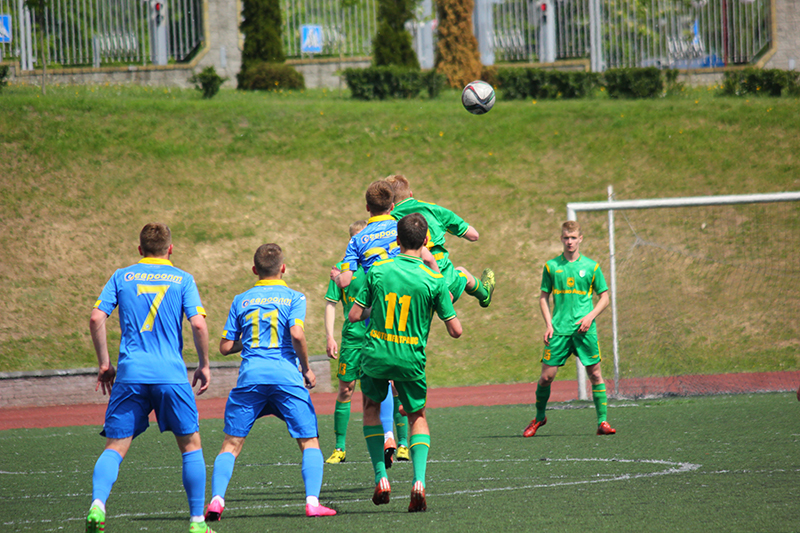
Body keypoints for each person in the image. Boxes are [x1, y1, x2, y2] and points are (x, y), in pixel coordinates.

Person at [86, 223, 215, 533]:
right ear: (170, 249)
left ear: (140, 249)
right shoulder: (183, 279)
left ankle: (98, 505)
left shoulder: (122, 276)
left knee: (116, 446)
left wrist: (105, 364)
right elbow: (198, 324)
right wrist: (204, 365)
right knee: (191, 446)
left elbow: (96, 317)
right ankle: (197, 522)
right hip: (170, 374)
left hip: (131, 375)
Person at [205, 243, 336, 521]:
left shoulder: (241, 299)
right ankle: (312, 503)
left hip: (250, 378)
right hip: (285, 377)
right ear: (283, 268)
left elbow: (225, 347)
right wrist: (307, 369)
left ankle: (216, 501)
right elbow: (297, 334)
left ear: (255, 270)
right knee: (308, 441)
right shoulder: (294, 297)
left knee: (231, 444)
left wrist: (251, 340)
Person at [348, 213, 463, 512]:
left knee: (371, 409)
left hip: (376, 354)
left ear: (397, 240)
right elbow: (456, 331)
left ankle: (381, 477)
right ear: (425, 241)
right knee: (417, 415)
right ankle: (419, 482)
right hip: (410, 358)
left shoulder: (378, 270)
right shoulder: (433, 280)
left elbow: (355, 315)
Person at [330, 180, 436, 465]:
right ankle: (401, 442)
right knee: (402, 382)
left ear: (367, 208)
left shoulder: (358, 239)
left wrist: (338, 277)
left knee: (373, 388)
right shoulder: (402, 228)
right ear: (392, 206)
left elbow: (346, 280)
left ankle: (384, 446)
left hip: (376, 315)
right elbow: (428, 258)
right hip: (406, 312)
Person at [324, 221, 410, 465]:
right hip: (353, 338)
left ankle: (402, 443)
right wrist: (329, 336)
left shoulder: (385, 266)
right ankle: (340, 448)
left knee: (393, 385)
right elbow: (331, 303)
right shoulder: (344, 269)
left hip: (380, 335)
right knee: (346, 389)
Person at [523, 221, 616, 438]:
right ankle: (539, 417)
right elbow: (543, 297)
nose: (570, 242)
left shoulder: (592, 267)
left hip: (585, 331)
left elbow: (604, 298)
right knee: (546, 378)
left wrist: (590, 316)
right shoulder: (551, 266)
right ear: (561, 239)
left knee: (595, 374)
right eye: (566, 237)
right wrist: (549, 324)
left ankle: (602, 421)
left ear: (580, 239)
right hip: (559, 330)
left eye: (573, 237)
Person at [385, 174, 495, 308]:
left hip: (412, 293)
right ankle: (484, 295)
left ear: (389, 202)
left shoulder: (389, 220)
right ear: (411, 194)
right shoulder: (434, 209)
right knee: (462, 272)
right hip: (447, 285)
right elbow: (474, 235)